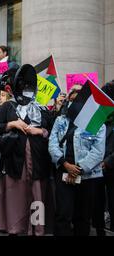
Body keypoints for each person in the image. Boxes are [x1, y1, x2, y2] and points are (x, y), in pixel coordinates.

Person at [0, 71, 54, 236]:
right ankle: (15, 228)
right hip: (14, 160)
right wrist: (12, 124)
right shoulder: (7, 106)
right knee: (15, 196)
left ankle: (37, 229)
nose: (26, 88)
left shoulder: (43, 108)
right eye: (22, 84)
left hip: (39, 160)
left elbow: (53, 132)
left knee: (37, 196)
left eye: (29, 85)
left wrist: (39, 131)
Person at [49, 84, 106, 236]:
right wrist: (65, 164)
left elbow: (98, 151)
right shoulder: (60, 120)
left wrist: (78, 169)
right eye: (72, 100)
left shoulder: (97, 122)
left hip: (87, 177)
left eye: (79, 100)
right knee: (63, 214)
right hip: (63, 172)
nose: (75, 104)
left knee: (83, 217)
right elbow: (52, 144)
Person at [92, 80, 114, 235]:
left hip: (110, 167)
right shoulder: (98, 118)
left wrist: (107, 162)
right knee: (97, 202)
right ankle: (99, 228)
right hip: (96, 167)